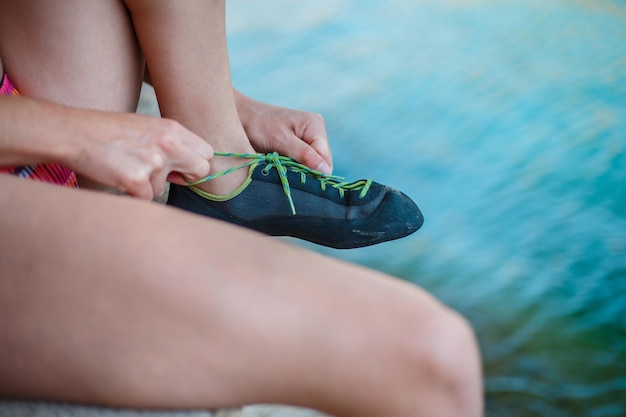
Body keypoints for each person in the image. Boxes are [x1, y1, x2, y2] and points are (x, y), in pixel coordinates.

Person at [0, 1, 483, 416]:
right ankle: (222, 184)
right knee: (432, 357)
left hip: (58, 156)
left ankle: (220, 161)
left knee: (430, 356)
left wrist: (226, 103)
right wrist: (74, 133)